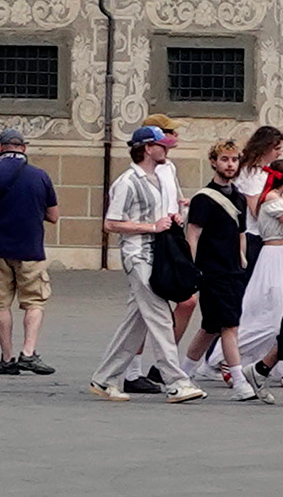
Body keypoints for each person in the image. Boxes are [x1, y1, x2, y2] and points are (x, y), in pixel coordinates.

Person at [91, 125, 207, 402]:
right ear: (147, 148)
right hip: (138, 255)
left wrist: (171, 219)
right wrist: (151, 227)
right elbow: (110, 223)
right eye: (162, 145)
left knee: (137, 321)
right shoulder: (128, 182)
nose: (166, 150)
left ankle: (104, 378)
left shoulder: (156, 178)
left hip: (154, 255)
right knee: (159, 316)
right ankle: (176, 382)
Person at [0, 127, 58, 375]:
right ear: (24, 148)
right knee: (34, 301)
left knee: (0, 304)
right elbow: (53, 216)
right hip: (30, 247)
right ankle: (28, 353)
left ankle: (7, 358)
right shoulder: (40, 176)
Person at [184, 143, 258, 400]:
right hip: (212, 271)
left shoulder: (237, 196)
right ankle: (239, 381)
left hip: (233, 270)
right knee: (230, 325)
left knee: (211, 327)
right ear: (213, 162)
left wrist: (242, 260)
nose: (230, 164)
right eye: (224, 159)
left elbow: (241, 233)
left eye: (234, 160)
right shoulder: (204, 198)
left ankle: (184, 373)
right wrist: (191, 269)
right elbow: (192, 234)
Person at [238, 154, 283, 388]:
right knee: (276, 308)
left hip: (281, 254)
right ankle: (232, 353)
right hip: (275, 254)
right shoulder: (273, 201)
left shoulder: (273, 197)